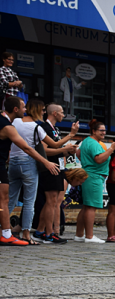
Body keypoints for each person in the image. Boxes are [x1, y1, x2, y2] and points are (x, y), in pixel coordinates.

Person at [0, 97, 56, 246]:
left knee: (7, 200)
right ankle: (24, 233)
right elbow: (27, 148)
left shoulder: (13, 123)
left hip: (12, 163)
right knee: (27, 201)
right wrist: (45, 162)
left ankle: (5, 231)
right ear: (16, 109)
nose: (25, 110)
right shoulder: (12, 126)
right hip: (26, 164)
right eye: (23, 107)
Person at [32, 103, 79, 244]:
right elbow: (45, 150)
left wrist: (67, 149)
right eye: (62, 112)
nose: (63, 115)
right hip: (49, 167)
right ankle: (48, 233)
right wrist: (68, 140)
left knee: (52, 203)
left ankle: (40, 231)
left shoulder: (55, 129)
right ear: (54, 113)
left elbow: (57, 147)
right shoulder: (44, 128)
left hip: (58, 167)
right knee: (51, 202)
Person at [75, 120, 115, 244]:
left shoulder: (86, 141)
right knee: (91, 207)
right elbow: (99, 159)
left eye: (105, 130)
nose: (104, 132)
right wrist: (112, 148)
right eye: (101, 130)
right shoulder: (95, 144)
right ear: (94, 131)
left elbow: (78, 153)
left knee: (86, 206)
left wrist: (86, 161)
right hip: (94, 176)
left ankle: (79, 235)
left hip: (89, 174)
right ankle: (89, 236)